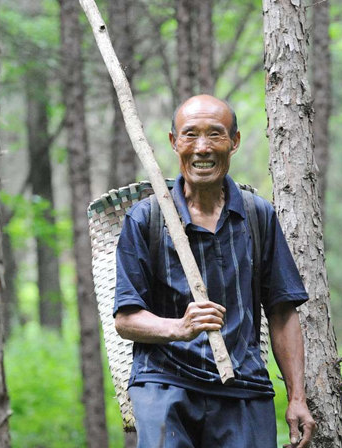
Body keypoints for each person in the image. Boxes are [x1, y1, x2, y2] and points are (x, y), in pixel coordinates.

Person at [114, 95, 316, 447]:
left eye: (215, 134)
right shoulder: (146, 219)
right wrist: (180, 327)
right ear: (174, 142)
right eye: (190, 134)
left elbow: (283, 312)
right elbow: (126, 320)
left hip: (243, 385)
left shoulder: (258, 216)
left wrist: (297, 397)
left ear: (234, 142)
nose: (202, 148)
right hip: (165, 383)